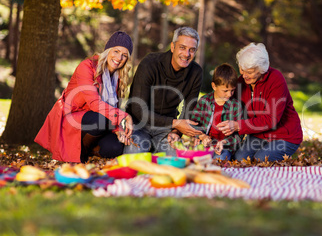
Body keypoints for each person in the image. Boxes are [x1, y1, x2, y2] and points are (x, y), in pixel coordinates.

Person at [35, 31, 134, 163]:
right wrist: (125, 116)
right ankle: (81, 152)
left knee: (115, 147)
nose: (119, 57)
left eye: (124, 55)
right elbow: (94, 103)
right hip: (72, 117)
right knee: (101, 120)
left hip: (98, 119)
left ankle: (90, 150)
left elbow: (111, 109)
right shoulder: (87, 67)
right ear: (108, 50)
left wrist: (118, 130)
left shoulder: (116, 78)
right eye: (116, 51)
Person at [217, 43, 303, 161]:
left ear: (262, 69)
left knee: (261, 159)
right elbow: (228, 109)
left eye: (250, 72)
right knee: (240, 158)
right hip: (257, 134)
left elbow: (271, 120)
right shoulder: (241, 82)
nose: (244, 75)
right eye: (242, 69)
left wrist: (238, 126)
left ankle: (283, 152)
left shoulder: (276, 80)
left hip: (284, 136)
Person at [124, 26, 203, 154]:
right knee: (135, 158)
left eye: (192, 50)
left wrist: (177, 131)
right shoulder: (150, 64)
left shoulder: (196, 72)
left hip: (167, 129)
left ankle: (157, 149)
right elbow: (138, 110)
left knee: (175, 161)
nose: (186, 54)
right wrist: (176, 123)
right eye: (182, 47)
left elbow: (189, 108)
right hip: (139, 125)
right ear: (173, 47)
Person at [190, 63, 243, 160]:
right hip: (204, 144)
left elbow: (239, 136)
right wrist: (202, 136)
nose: (229, 94)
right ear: (214, 86)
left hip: (225, 147)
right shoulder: (204, 101)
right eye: (225, 90)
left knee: (219, 159)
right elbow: (194, 124)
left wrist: (223, 142)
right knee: (194, 159)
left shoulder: (236, 106)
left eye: (232, 90)